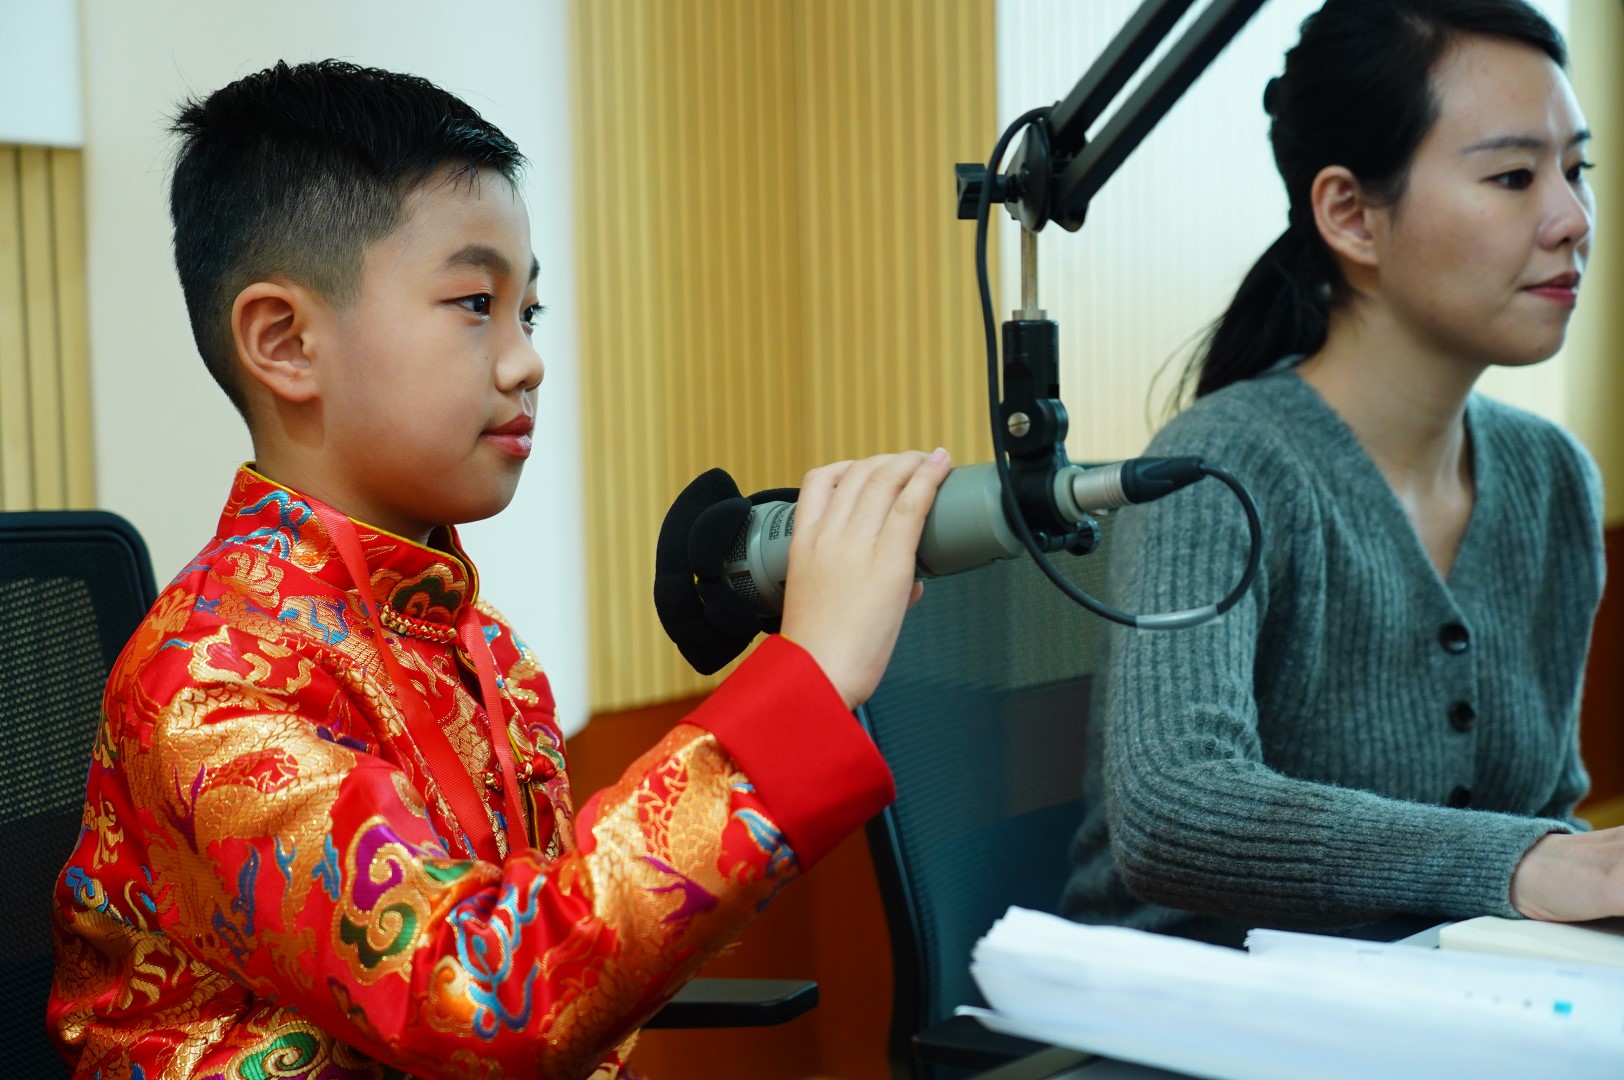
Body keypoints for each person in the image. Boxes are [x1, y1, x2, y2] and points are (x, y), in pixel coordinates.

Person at [47, 60, 950, 1079]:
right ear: (285, 342)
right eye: (476, 302)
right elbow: (486, 997)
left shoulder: (487, 654)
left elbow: (561, 955)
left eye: (530, 313)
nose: (525, 361)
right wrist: (808, 680)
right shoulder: (209, 684)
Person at [1063, 0, 1615, 947]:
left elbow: (1539, 811)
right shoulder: (1218, 468)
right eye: (1514, 176)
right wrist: (1523, 862)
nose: (1571, 218)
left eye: (1577, 170)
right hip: (1185, 1003)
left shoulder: (1552, 478)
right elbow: (1173, 816)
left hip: (1442, 993)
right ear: (1351, 215)